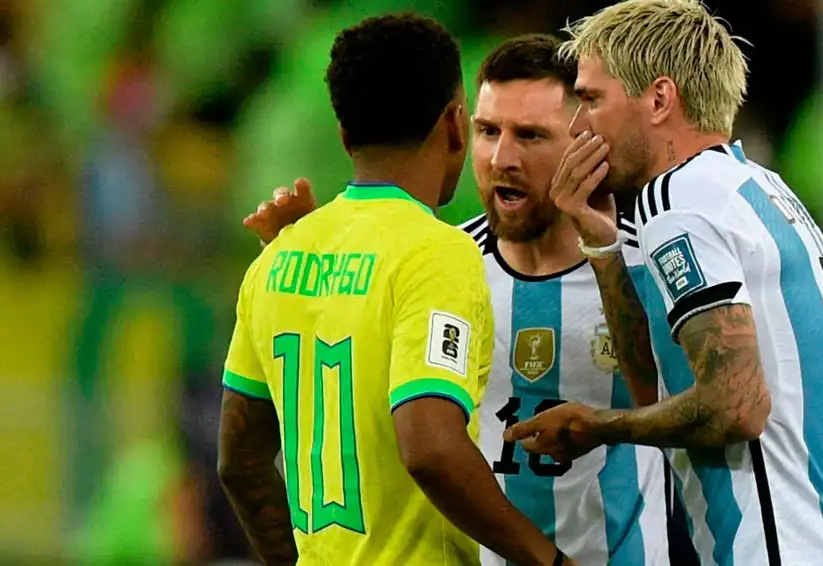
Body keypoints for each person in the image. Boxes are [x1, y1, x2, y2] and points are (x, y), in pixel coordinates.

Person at [242, 34, 695, 566]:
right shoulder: (439, 265)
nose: (503, 158)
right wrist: (310, 246)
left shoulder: (644, 261)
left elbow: (689, 415)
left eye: (530, 135)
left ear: (582, 142)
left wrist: (603, 252)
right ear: (461, 130)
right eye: (488, 132)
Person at [502, 0, 823, 565]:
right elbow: (662, 389)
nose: (578, 125)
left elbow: (737, 406)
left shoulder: (677, 200)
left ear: (659, 98)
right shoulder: (760, 190)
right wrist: (603, 244)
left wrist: (598, 427)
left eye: (591, 99)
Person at [217, 14, 573, 566]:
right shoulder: (437, 254)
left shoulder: (277, 258)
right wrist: (548, 560)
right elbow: (431, 447)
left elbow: (238, 462)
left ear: (344, 135)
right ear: (457, 125)